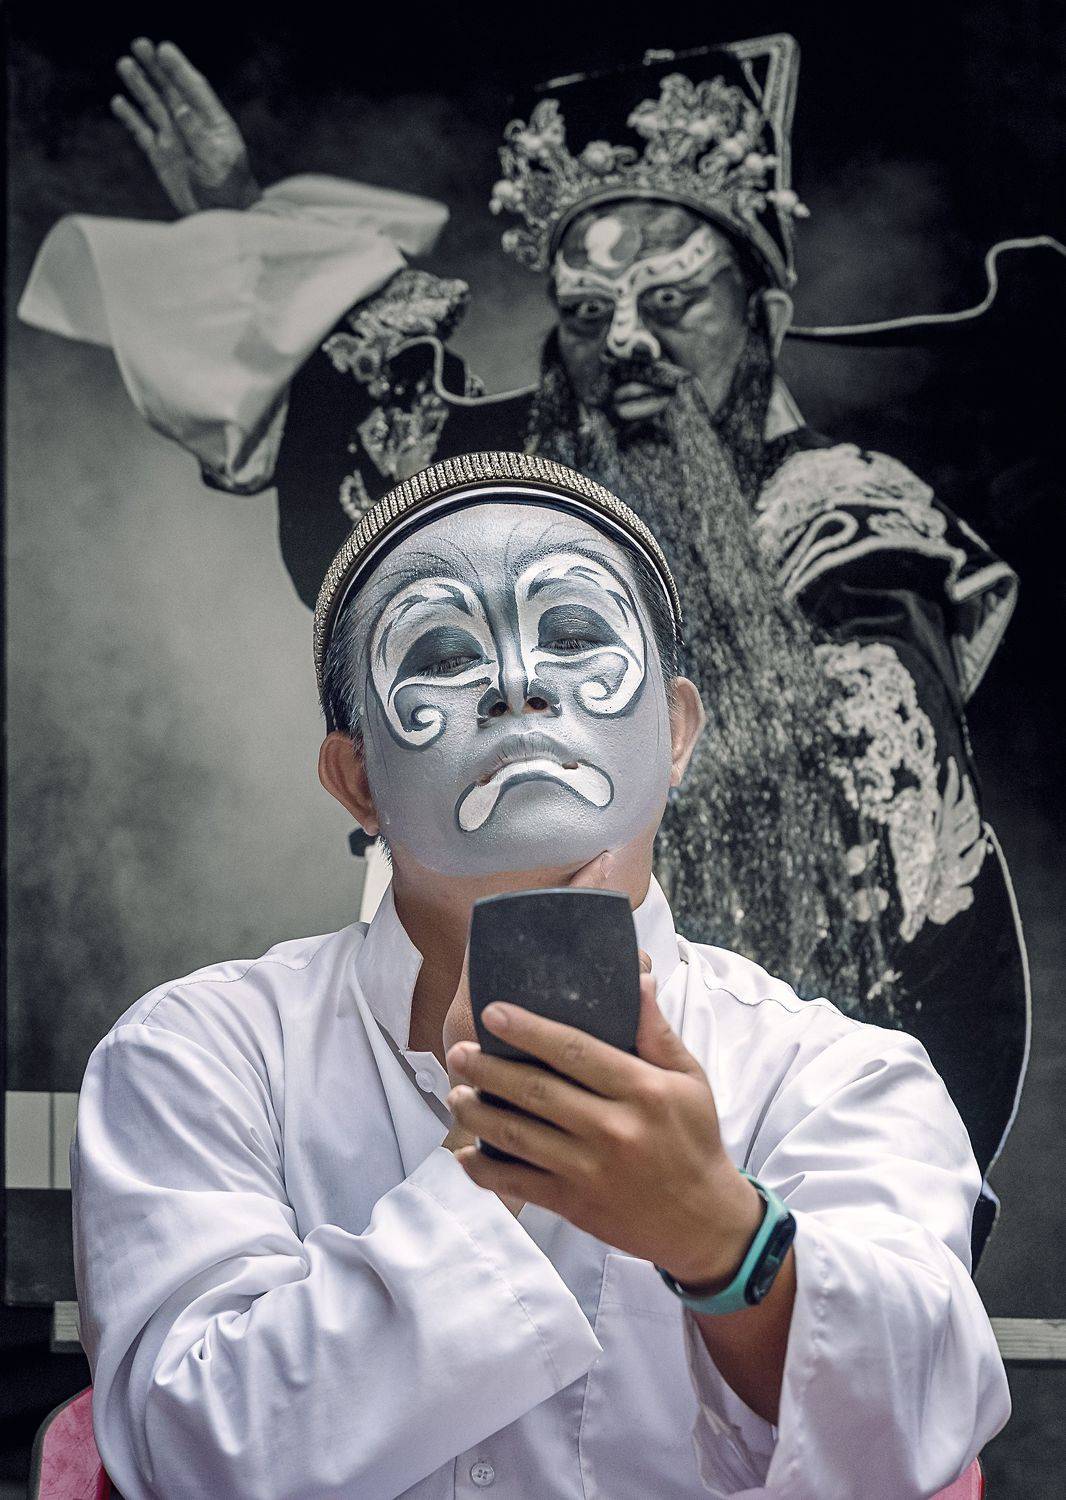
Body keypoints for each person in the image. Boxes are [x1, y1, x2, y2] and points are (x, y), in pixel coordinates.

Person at [22, 35, 1034, 1235]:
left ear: (760, 314)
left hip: (766, 1075)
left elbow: (900, 845)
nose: (627, 342)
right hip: (475, 1062)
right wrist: (246, 226)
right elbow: (363, 412)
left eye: (671, 301)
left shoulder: (846, 526)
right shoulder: (510, 500)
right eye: (589, 310)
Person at [72, 450, 1008, 1500]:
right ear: (357, 780)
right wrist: (493, 1161)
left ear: (676, 734)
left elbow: (911, 1428)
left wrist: (717, 1233)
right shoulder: (198, 1055)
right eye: (442, 650)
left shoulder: (836, 1076)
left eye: (570, 634)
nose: (518, 683)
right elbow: (188, 1455)